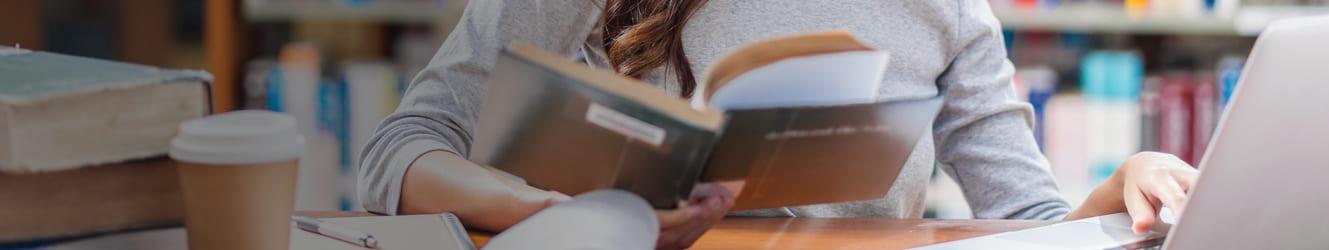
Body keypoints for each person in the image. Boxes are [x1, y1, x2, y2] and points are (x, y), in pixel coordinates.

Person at [357, 0, 1200, 248]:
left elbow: (1026, 229)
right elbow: (396, 155)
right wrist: (535, 213)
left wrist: (1124, 188)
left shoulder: (946, 8)